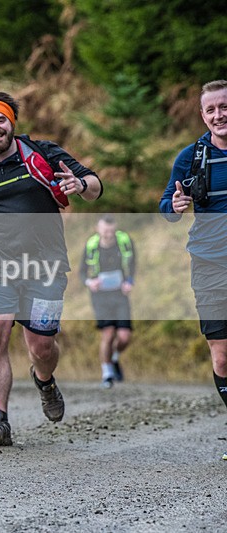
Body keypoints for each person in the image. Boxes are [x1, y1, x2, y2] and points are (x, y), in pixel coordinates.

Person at [0, 91, 102, 446]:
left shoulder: (43, 153)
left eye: (0, 120)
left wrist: (80, 184)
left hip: (45, 266)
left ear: (11, 122)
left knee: (42, 347)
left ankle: (45, 380)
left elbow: (94, 186)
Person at [159, 79, 227, 461]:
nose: (219, 115)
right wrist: (174, 206)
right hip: (210, 263)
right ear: (203, 116)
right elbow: (166, 207)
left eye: (224, 106)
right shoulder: (191, 157)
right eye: (211, 109)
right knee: (222, 357)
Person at [80, 214, 136, 389]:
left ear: (115, 229)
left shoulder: (124, 242)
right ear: (98, 229)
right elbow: (82, 272)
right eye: (105, 230)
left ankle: (114, 357)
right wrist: (90, 282)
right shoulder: (91, 246)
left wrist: (129, 282)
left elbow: (133, 263)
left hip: (120, 294)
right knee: (108, 333)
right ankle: (107, 374)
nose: (108, 234)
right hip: (100, 296)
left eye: (111, 231)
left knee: (124, 337)